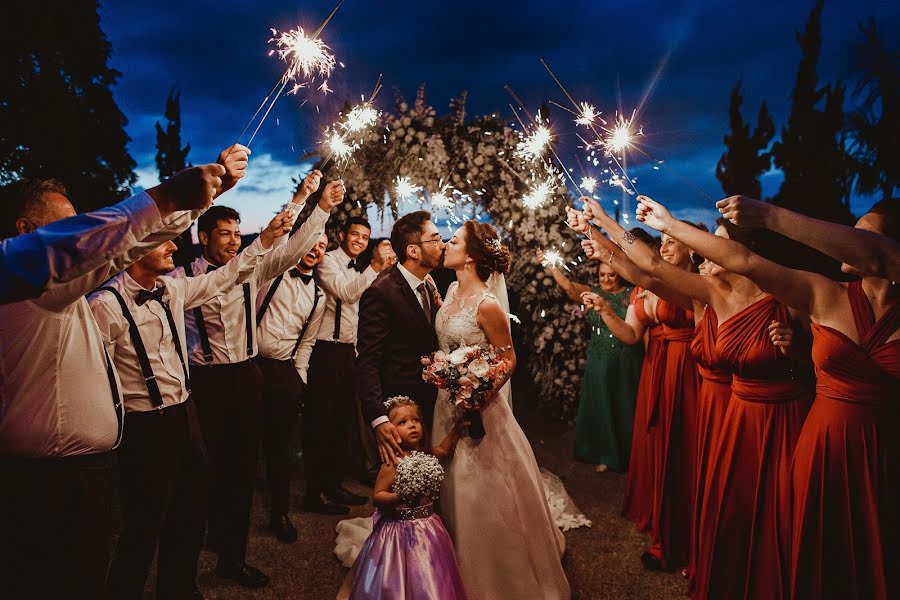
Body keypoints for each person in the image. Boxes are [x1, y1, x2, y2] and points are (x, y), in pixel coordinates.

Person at [0, 151, 244, 599]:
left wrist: (198, 201)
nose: (81, 233)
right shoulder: (23, 280)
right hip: (46, 483)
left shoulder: (58, 289)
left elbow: (126, 247)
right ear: (25, 232)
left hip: (80, 475)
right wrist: (169, 194)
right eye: (66, 224)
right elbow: (95, 245)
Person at [637, 196, 899, 599]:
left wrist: (772, 217)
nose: (846, 239)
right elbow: (745, 261)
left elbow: (880, 259)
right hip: (823, 450)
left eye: (859, 234)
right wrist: (669, 224)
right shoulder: (824, 293)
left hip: (886, 455)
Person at [89, 210, 288, 600]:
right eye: (163, 240)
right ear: (134, 249)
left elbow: (227, 276)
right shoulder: (104, 305)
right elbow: (96, 378)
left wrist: (266, 239)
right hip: (144, 425)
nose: (173, 246)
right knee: (143, 525)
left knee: (189, 514)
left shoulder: (173, 289)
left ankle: (178, 588)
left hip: (186, 414)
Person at [184, 172, 343, 588]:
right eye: (224, 234)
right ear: (203, 238)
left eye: (238, 234)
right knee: (201, 472)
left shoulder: (252, 270)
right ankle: (199, 544)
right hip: (203, 383)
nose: (235, 241)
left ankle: (231, 558)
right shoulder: (183, 276)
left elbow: (291, 247)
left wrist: (318, 205)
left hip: (246, 377)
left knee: (239, 469)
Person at [431, 220, 572, 600]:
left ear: (472, 256)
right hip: (445, 403)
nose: (447, 243)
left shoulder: (488, 305)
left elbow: (508, 359)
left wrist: (477, 391)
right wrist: (441, 370)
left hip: (479, 407)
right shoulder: (448, 289)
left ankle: (489, 574)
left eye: (455, 240)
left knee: (480, 490)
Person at [305, 215, 393, 513]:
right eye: (355, 234)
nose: (359, 240)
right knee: (319, 423)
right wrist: (375, 267)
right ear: (342, 235)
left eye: (365, 237)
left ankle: (333, 485)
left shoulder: (364, 270)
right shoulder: (327, 261)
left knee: (342, 424)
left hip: (348, 353)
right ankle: (312, 493)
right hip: (325, 350)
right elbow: (347, 292)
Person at [341, 396, 469, 600]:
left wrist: (456, 431)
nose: (412, 426)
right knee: (399, 572)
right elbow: (378, 497)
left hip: (428, 527)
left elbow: (444, 451)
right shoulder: (392, 463)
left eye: (415, 420)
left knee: (429, 570)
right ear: (389, 432)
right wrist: (400, 496)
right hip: (399, 531)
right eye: (403, 422)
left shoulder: (426, 454)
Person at [537, 248, 643, 472]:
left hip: (625, 361)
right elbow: (568, 286)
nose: (605, 279)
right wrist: (550, 265)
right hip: (599, 358)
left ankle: (632, 453)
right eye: (602, 274)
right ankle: (604, 453)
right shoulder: (592, 292)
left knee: (625, 406)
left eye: (611, 275)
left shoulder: (632, 295)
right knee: (601, 406)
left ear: (620, 275)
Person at [357, 211, 445, 467]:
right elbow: (368, 360)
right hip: (399, 414)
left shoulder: (427, 285)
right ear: (413, 251)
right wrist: (379, 419)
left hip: (428, 406)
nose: (442, 244)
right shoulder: (381, 292)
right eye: (435, 239)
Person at [256, 232, 328, 543]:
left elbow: (308, 343)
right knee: (241, 446)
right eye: (312, 243)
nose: (315, 249)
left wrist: (299, 378)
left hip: (285, 372)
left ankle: (279, 514)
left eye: (322, 247)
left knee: (280, 448)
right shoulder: (272, 276)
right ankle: (222, 522)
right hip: (252, 365)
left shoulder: (318, 297)